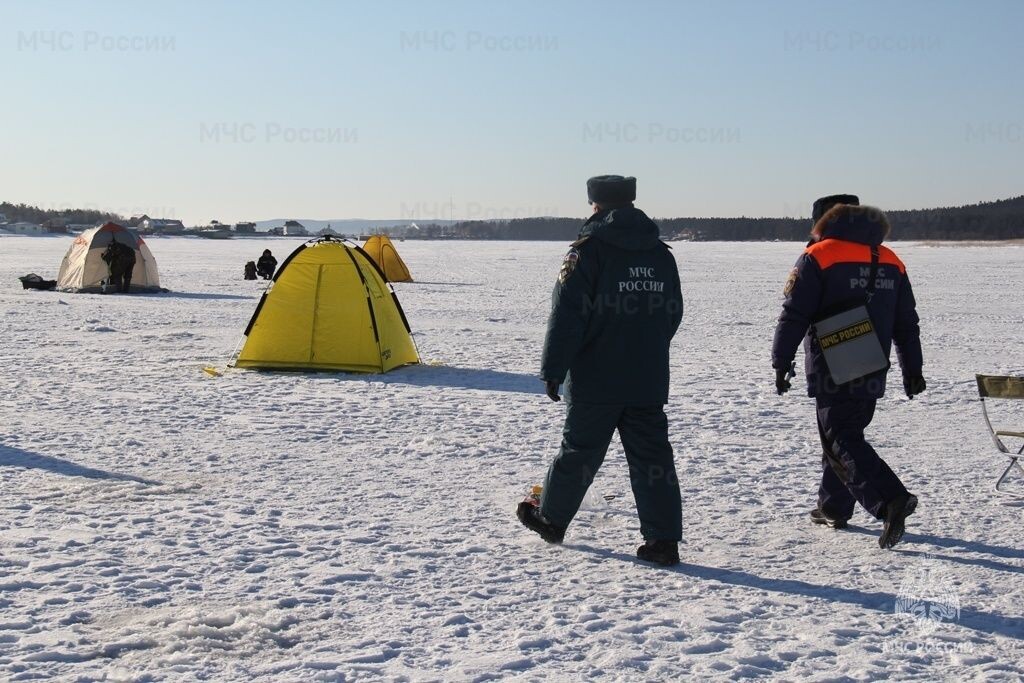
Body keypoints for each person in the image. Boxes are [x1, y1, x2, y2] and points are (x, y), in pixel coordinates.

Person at [517, 175, 685, 566]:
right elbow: (673, 312)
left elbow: (567, 315)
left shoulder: (587, 252)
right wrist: (648, 348)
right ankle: (663, 541)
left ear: (595, 205)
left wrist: (553, 368)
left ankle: (551, 519)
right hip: (646, 377)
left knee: (579, 451)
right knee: (653, 460)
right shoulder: (660, 253)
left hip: (596, 377)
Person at [772, 199, 926, 549]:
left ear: (824, 221)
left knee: (840, 437)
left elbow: (794, 314)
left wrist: (781, 360)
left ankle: (891, 499)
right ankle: (834, 507)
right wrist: (912, 369)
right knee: (844, 434)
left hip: (834, 360)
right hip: (873, 361)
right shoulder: (891, 259)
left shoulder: (818, 255)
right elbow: (906, 323)